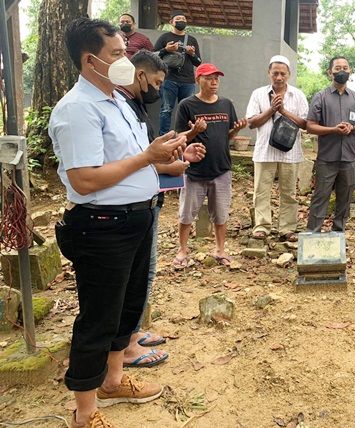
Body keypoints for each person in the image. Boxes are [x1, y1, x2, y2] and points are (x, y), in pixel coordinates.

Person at [49, 18, 185, 427]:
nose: (126, 59)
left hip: (135, 219)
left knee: (126, 308)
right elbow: (85, 180)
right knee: (98, 317)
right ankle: (86, 413)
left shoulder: (118, 101)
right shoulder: (77, 109)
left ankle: (113, 380)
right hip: (102, 226)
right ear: (90, 60)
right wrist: (147, 158)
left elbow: (129, 163)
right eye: (117, 54)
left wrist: (163, 157)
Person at [115, 50, 205, 367]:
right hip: (126, 210)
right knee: (131, 277)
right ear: (140, 75)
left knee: (144, 273)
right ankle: (124, 346)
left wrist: (176, 163)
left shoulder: (138, 107)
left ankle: (132, 333)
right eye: (156, 81)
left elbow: (148, 159)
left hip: (148, 203)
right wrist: (168, 163)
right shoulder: (117, 108)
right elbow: (133, 162)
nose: (158, 88)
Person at [173, 63, 247, 268]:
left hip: (221, 168)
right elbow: (179, 136)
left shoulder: (226, 104)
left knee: (221, 213)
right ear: (198, 80)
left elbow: (228, 135)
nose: (214, 82)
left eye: (217, 78)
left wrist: (237, 130)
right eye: (209, 78)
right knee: (186, 213)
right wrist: (194, 132)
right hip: (194, 170)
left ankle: (220, 250)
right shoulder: (187, 105)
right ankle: (182, 250)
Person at [246, 55, 308, 242]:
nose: (279, 77)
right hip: (265, 151)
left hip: (290, 152)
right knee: (261, 190)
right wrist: (271, 109)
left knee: (289, 192)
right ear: (269, 74)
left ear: (289, 74)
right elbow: (251, 122)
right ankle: (262, 226)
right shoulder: (258, 94)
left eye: (283, 73)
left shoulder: (298, 95)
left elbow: (305, 123)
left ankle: (287, 228)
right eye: (275, 73)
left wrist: (283, 111)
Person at [306, 56, 355, 232]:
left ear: (350, 71)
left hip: (349, 158)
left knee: (345, 198)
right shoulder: (320, 97)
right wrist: (333, 129)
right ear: (330, 72)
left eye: (345, 68)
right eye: (337, 68)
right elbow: (310, 126)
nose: (342, 71)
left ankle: (338, 234)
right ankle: (313, 234)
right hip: (327, 157)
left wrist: (353, 128)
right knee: (321, 197)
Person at [153, 10, 202, 135]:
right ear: (171, 22)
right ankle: (164, 137)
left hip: (188, 81)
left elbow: (198, 62)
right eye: (178, 19)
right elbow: (153, 56)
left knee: (187, 110)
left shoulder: (191, 39)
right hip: (169, 79)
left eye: (184, 19)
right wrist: (166, 49)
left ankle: (184, 137)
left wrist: (192, 54)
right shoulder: (164, 37)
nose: (181, 21)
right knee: (166, 110)